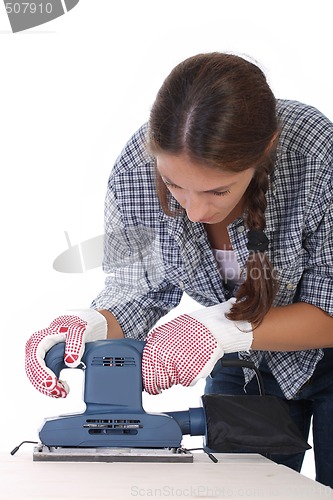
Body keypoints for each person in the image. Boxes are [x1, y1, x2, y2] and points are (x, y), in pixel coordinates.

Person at [25, 52, 333, 486]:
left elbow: (330, 305)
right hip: (243, 364)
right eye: (173, 185)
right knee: (232, 492)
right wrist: (89, 324)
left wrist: (218, 328)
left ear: (264, 152)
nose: (193, 211)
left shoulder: (317, 156)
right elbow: (139, 290)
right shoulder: (135, 170)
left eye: (217, 190)